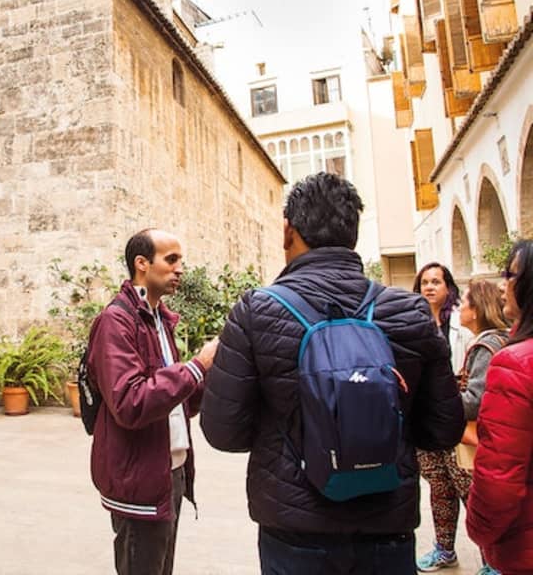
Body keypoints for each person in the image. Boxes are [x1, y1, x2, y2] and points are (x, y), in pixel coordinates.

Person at [200, 172, 464, 575]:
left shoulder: (256, 311)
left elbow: (223, 431)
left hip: (294, 531)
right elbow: (443, 430)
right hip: (386, 525)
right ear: (352, 232)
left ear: (288, 230)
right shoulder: (409, 312)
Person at [86, 228, 219, 575]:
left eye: (181, 261)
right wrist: (195, 367)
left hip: (167, 471)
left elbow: (176, 403)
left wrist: (206, 377)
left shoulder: (159, 319)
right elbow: (130, 402)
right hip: (138, 481)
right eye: (171, 259)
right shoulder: (116, 321)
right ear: (141, 264)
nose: (179, 269)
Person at [467, 239, 533, 575]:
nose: (503, 284)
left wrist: (479, 531)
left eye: (511, 274)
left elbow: (499, 475)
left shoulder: (514, 363)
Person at [413, 263, 477, 572]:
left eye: (436, 281)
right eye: (424, 282)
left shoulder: (461, 328)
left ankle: (491, 556)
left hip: (455, 420)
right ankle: (444, 549)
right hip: (425, 422)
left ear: (448, 287)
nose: (429, 287)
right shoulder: (412, 323)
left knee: (468, 488)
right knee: (439, 488)